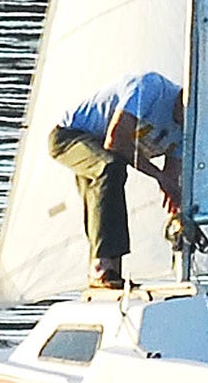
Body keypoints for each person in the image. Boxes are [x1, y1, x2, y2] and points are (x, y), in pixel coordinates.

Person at [49, 71, 183, 288]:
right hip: (69, 136)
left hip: (102, 146)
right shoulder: (151, 88)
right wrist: (158, 176)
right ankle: (102, 267)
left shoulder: (188, 128)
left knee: (108, 180)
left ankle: (110, 273)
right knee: (110, 167)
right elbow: (116, 140)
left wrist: (175, 199)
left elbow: (170, 177)